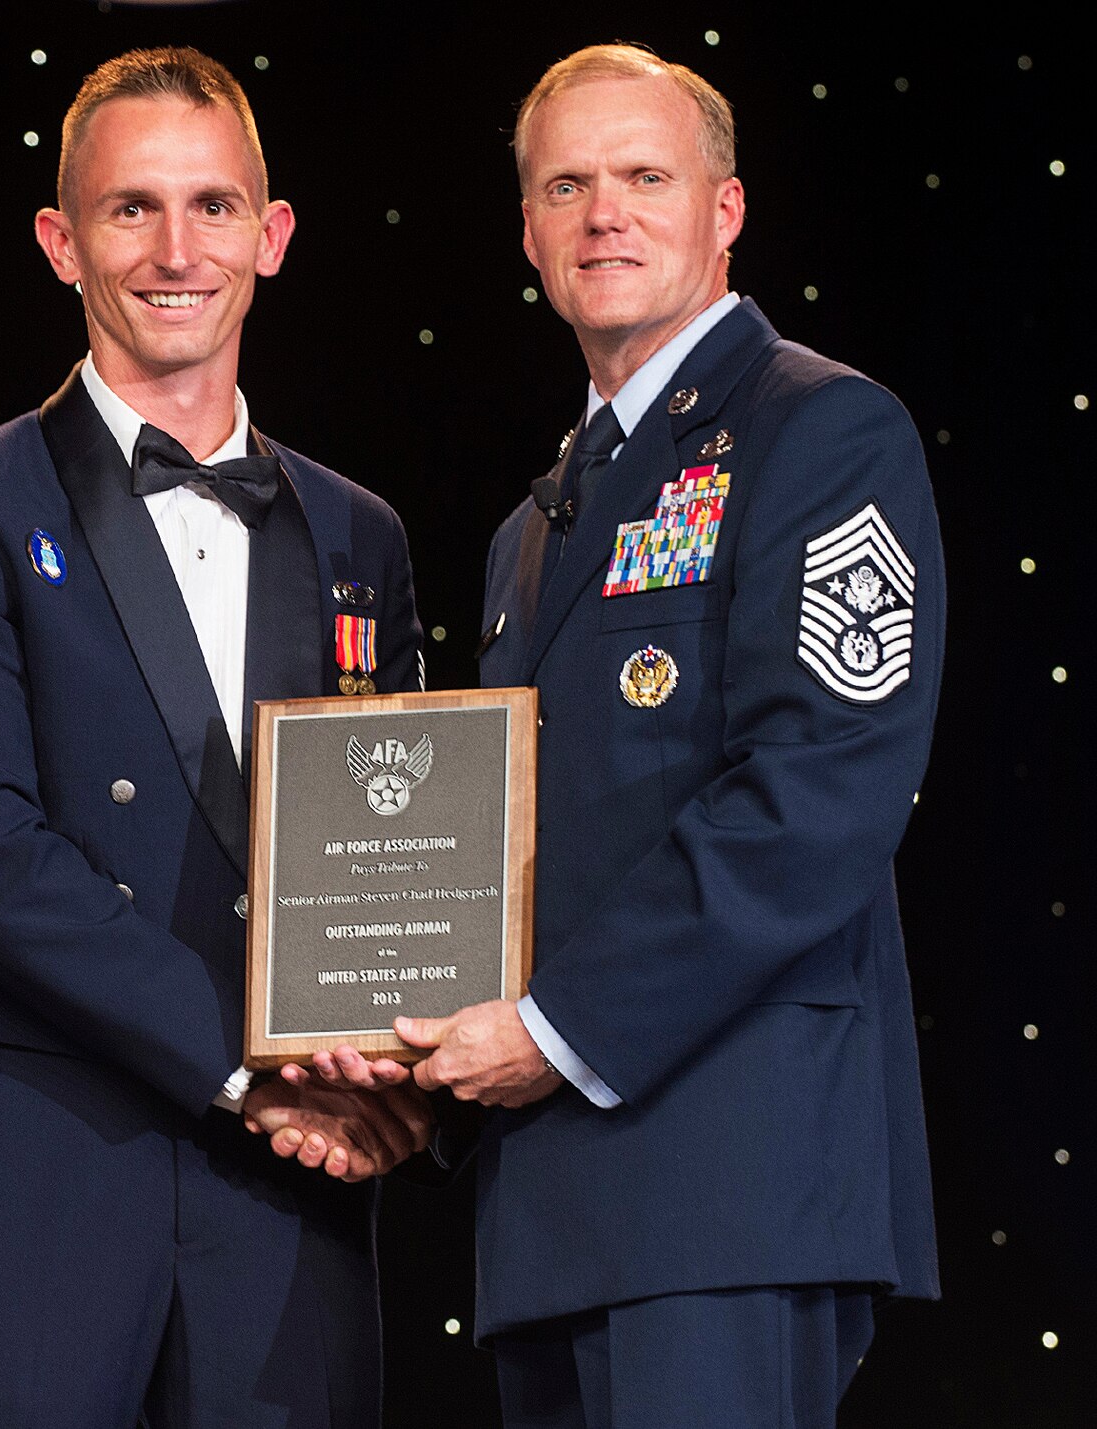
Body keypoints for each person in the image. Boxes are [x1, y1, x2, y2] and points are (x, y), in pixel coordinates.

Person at [290, 42, 944, 1425]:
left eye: (646, 176)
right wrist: (411, 1057)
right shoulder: (531, 530)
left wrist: (558, 1027)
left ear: (727, 210)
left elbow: (821, 790)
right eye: (568, 184)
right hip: (556, 1196)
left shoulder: (818, 429)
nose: (606, 214)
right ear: (527, 230)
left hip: (729, 1179)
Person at [0, 47, 431, 1428]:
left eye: (215, 206)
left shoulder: (362, 533)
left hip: (291, 1188)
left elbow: (401, 853)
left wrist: (402, 1076)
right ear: (60, 242)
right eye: (131, 209)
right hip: (40, 1171)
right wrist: (246, 1071)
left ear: (272, 237)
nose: (178, 250)